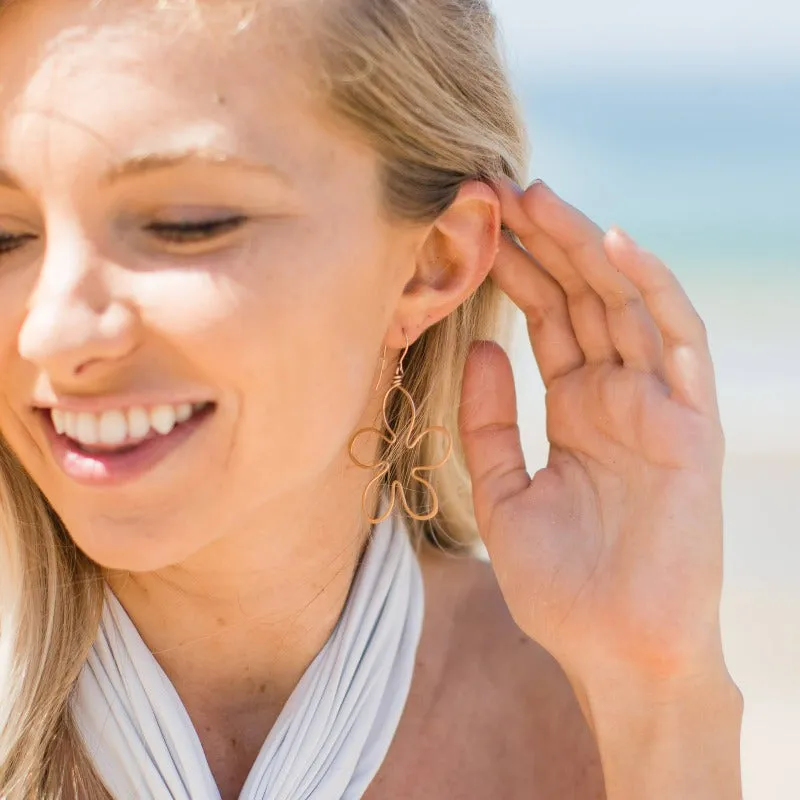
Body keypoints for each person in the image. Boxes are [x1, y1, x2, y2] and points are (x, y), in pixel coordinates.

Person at [0, 0, 744, 797]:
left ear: (434, 261)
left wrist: (657, 693)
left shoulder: (587, 709)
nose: (52, 332)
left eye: (187, 223)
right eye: (6, 236)